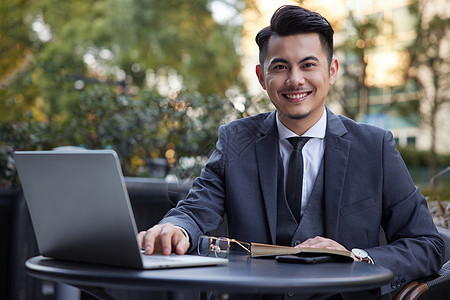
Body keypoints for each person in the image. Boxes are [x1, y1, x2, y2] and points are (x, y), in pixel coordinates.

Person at [138, 5, 444, 299]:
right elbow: (194, 210)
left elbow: (427, 244)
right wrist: (175, 228)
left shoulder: (374, 147)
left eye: (308, 65)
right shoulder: (235, 140)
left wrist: (355, 257)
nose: (295, 79)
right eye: (280, 67)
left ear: (332, 71)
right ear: (261, 77)